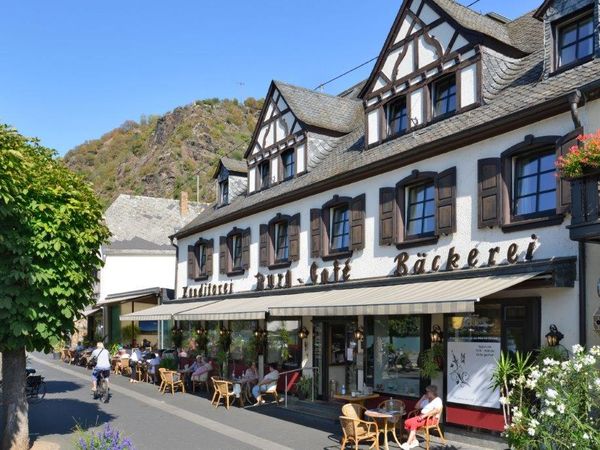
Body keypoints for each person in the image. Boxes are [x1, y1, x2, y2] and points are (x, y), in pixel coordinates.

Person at [401, 385, 443, 449]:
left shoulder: (437, 400)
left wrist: (424, 416)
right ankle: (414, 441)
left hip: (431, 419)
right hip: (422, 417)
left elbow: (436, 410)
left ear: (432, 392)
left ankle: (408, 443)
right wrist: (422, 398)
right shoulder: (426, 400)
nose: (426, 393)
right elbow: (416, 407)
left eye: (427, 392)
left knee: (413, 423)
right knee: (407, 422)